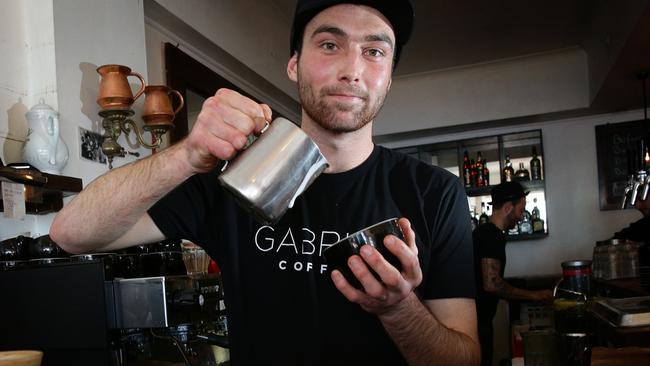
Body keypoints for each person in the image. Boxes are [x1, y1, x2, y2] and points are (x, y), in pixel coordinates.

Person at [50, 1, 479, 365]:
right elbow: (70, 233)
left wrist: (397, 309)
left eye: (374, 52)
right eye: (330, 45)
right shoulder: (231, 177)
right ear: (294, 64)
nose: (352, 69)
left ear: (388, 75)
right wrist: (186, 154)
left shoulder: (435, 192)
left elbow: (465, 357)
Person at [473, 182, 553, 366]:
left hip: (479, 320)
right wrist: (534, 295)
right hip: (477, 323)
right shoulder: (491, 235)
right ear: (508, 208)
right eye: (520, 210)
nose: (521, 216)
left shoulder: (487, 233)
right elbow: (491, 283)